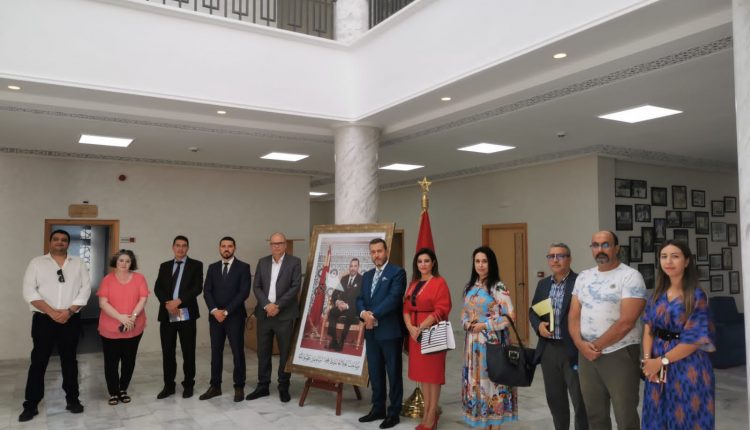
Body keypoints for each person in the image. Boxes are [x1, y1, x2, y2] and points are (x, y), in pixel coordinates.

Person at [569, 231, 646, 430]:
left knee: (625, 415)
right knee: (595, 415)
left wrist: (593, 347)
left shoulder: (630, 276)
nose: (600, 250)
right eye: (595, 245)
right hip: (586, 354)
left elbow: (627, 322)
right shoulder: (584, 277)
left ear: (616, 248)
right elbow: (574, 315)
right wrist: (580, 345)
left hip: (619, 352)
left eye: (605, 244)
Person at [640, 240, 715, 429]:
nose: (668, 261)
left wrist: (661, 361)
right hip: (656, 366)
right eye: (664, 256)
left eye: (675, 256)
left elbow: (694, 340)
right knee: (656, 415)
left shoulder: (696, 296)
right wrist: (648, 361)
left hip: (688, 366)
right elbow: (648, 329)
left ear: (687, 261)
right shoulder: (656, 295)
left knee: (686, 417)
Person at [19, 229, 92, 422]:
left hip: (70, 319)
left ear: (68, 243)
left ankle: (73, 400)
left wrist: (69, 312)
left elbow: (85, 289)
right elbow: (29, 290)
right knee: (38, 361)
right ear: (50, 242)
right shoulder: (36, 263)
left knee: (69, 361)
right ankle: (31, 405)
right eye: (56, 239)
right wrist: (52, 312)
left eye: (64, 240)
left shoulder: (78, 263)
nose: (60, 242)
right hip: (44, 319)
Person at [529, 243, 587, 430]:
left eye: (560, 256)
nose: (555, 260)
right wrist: (539, 326)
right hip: (549, 349)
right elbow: (533, 311)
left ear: (569, 259)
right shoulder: (543, 284)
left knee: (580, 401)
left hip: (573, 349)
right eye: (551, 256)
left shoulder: (580, 282)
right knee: (555, 400)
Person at [461, 246, 517, 429]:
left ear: (491, 263)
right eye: (477, 261)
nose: (480, 265)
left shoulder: (497, 287)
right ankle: (483, 423)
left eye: (484, 261)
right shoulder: (470, 287)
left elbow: (510, 317)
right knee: (477, 385)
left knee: (492, 383)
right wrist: (467, 324)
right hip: (473, 345)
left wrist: (485, 325)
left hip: (492, 344)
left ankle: (495, 424)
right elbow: (464, 314)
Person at [356, 238, 407, 429]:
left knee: (393, 373)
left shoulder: (397, 272)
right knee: (375, 372)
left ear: (386, 251)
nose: (376, 255)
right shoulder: (367, 275)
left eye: (379, 251)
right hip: (371, 333)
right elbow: (360, 299)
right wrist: (363, 313)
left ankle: (393, 413)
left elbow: (393, 299)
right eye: (373, 252)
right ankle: (378, 408)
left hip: (390, 331)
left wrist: (373, 315)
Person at [246, 232, 302, 403]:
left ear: (285, 245)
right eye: (273, 243)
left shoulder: (295, 262)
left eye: (279, 243)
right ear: (270, 245)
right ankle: (263, 385)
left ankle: (283, 386)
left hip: (284, 314)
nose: (276, 246)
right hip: (264, 314)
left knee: (285, 352)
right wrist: (267, 305)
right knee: (263, 351)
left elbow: (295, 287)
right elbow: (257, 286)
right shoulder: (262, 262)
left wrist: (277, 305)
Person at [403, 248, 451, 430]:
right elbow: (406, 308)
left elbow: (442, 308)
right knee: (423, 376)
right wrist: (410, 328)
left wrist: (421, 327)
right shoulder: (413, 283)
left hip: (432, 333)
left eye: (426, 261)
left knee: (433, 375)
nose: (423, 264)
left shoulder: (439, 282)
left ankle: (432, 415)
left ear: (433, 263)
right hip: (415, 335)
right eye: (419, 261)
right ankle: (426, 413)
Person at [200, 236, 252, 402]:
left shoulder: (243, 267)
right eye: (223, 246)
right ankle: (215, 386)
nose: (226, 249)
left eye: (230, 246)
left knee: (237, 352)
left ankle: (239, 386)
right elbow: (207, 291)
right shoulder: (213, 267)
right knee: (216, 352)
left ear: (234, 248)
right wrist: (215, 311)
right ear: (219, 248)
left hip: (235, 316)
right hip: (215, 317)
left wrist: (226, 311)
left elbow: (243, 293)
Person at [154, 235, 204, 399]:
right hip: (167, 314)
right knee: (168, 352)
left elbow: (197, 288)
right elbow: (158, 288)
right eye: (178, 245)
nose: (180, 248)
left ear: (187, 248)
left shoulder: (196, 265)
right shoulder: (164, 266)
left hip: (186, 313)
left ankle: (188, 385)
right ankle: (169, 386)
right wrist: (168, 303)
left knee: (188, 351)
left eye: (184, 246)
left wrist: (178, 301)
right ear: (173, 247)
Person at [97, 249, 149, 405]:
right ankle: (113, 392)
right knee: (111, 362)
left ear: (132, 263)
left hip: (134, 326)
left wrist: (132, 317)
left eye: (127, 261)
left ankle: (123, 389)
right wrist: (121, 318)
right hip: (110, 327)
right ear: (116, 262)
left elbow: (143, 299)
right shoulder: (107, 280)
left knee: (129, 361)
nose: (124, 264)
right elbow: (103, 303)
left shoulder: (139, 278)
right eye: (121, 260)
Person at [326, 257, 363, 351]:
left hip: (353, 308)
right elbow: (335, 294)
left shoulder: (362, 280)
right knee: (332, 312)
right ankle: (334, 340)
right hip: (341, 306)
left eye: (355, 266)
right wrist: (338, 302)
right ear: (349, 267)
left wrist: (347, 305)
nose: (352, 268)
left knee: (350, 313)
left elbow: (360, 298)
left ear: (358, 267)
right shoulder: (344, 278)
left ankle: (341, 341)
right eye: (351, 266)